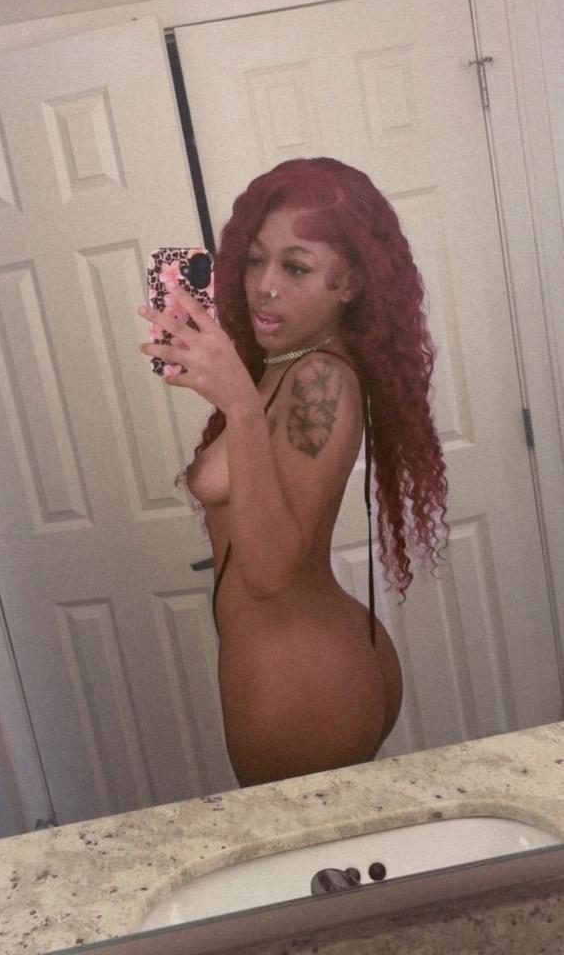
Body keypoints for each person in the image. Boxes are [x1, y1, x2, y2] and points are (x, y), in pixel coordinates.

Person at [138, 157, 448, 788]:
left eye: (295, 267)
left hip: (299, 683)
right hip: (310, 662)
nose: (264, 286)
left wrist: (240, 407)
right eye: (254, 261)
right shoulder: (289, 365)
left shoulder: (321, 378)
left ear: (350, 283)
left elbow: (270, 571)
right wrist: (236, 396)